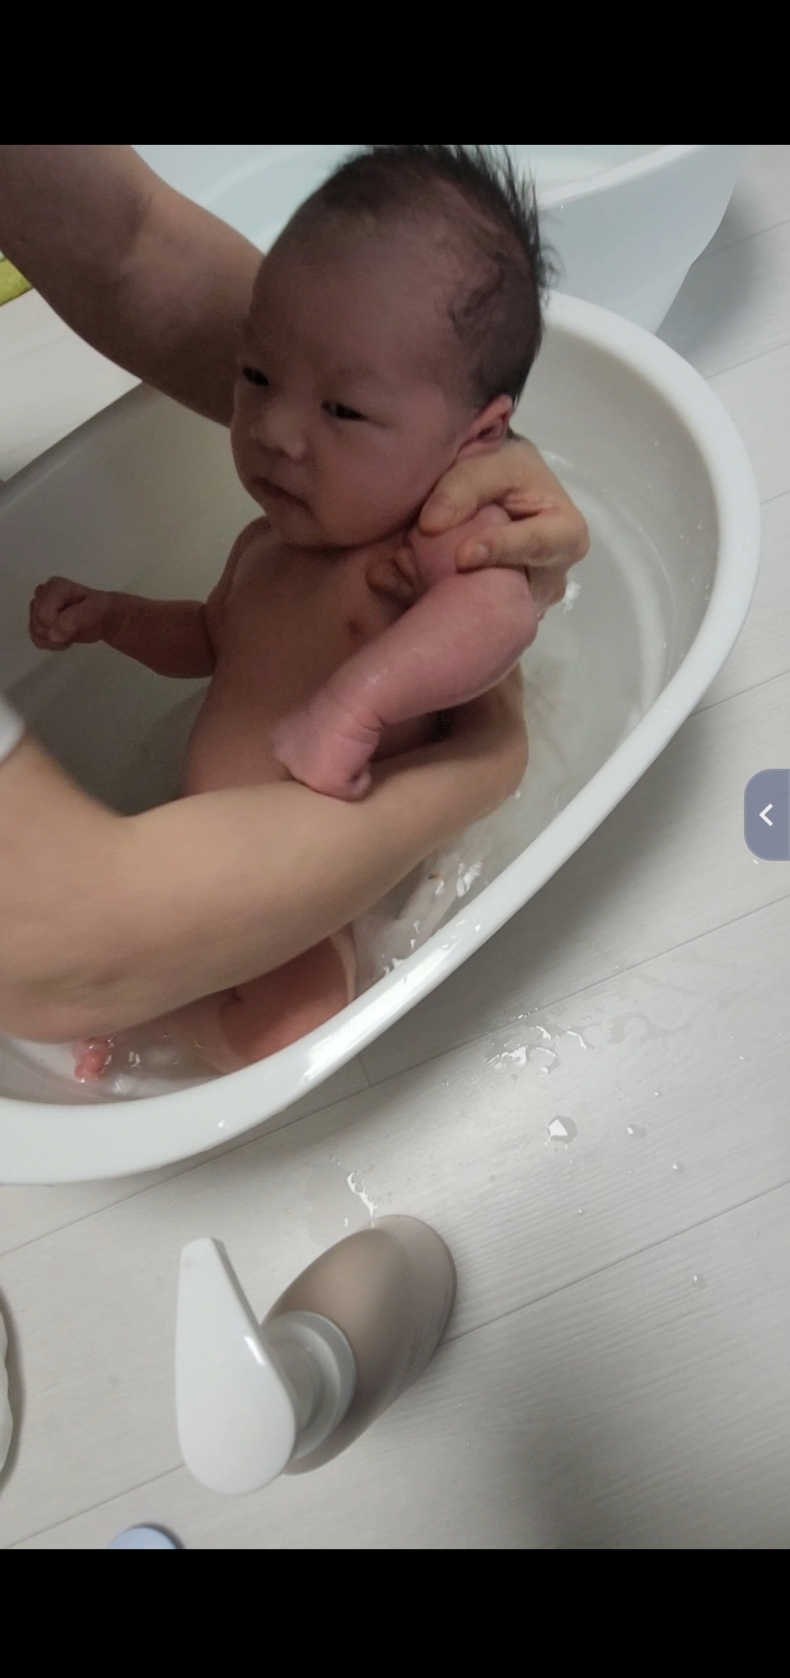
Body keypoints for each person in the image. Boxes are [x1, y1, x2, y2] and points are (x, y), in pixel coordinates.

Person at [0, 145, 589, 1048]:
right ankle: (146, 997)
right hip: (202, 860)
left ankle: (174, 1015)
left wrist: (357, 706)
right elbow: (211, 641)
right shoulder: (267, 544)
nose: (274, 430)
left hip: (314, 896)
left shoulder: (422, 547)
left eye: (343, 410)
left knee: (292, 1017)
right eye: (256, 375)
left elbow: (501, 614)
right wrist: (117, 619)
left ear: (478, 438)